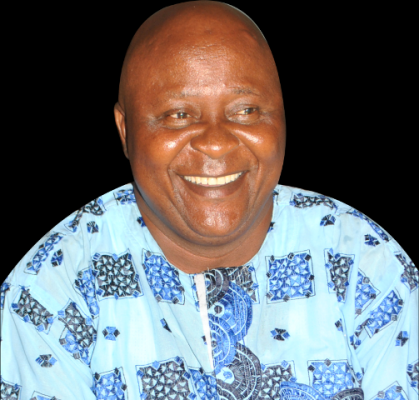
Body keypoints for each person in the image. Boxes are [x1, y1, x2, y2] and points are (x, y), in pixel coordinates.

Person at [1, 2, 417, 399]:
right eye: (178, 115)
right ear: (125, 131)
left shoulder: (365, 264)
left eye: (246, 110)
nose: (216, 142)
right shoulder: (53, 289)